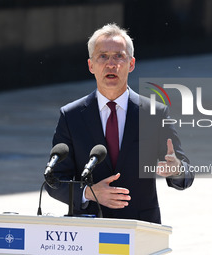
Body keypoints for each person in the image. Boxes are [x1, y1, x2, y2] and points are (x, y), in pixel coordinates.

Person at [45, 23, 194, 224]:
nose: (111, 64)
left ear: (131, 64)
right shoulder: (71, 116)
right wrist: (88, 192)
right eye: (103, 56)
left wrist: (176, 169)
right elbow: (54, 180)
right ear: (91, 65)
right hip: (88, 229)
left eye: (119, 56)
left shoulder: (155, 113)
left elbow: (186, 175)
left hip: (140, 228)